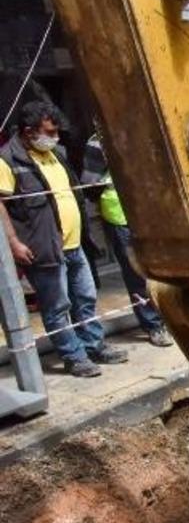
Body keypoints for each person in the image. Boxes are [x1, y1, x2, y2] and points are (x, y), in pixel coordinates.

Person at [0, 101, 127, 377]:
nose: (54, 137)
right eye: (48, 131)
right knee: (57, 306)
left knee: (85, 296)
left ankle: (94, 346)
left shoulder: (55, 153)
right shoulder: (8, 160)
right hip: (42, 247)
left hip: (75, 243)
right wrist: (13, 242)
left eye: (56, 131)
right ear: (29, 131)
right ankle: (74, 356)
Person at [81, 129, 173, 347]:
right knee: (136, 274)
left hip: (151, 214)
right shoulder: (98, 142)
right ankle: (153, 325)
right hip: (120, 215)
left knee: (163, 271)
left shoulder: (145, 129)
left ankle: (170, 318)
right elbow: (89, 184)